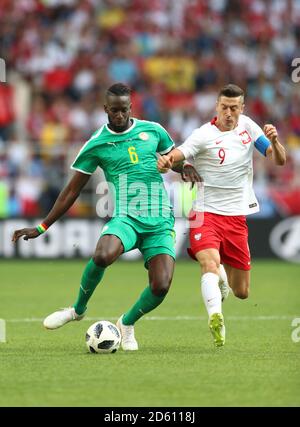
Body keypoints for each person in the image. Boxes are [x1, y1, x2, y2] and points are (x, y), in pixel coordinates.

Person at [12, 83, 180, 351]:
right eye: (114, 110)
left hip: (160, 221)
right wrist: (42, 226)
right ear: (105, 109)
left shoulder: (154, 130)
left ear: (130, 107)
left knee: (161, 286)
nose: (120, 115)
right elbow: (71, 191)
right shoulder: (96, 144)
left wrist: (181, 165)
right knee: (103, 254)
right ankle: (77, 310)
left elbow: (176, 158)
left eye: (124, 110)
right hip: (127, 218)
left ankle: (127, 323)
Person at [157, 83, 286, 347]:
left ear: (242, 108)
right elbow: (179, 154)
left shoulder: (249, 127)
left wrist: (274, 141)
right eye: (225, 107)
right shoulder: (203, 134)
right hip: (205, 213)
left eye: (234, 108)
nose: (229, 113)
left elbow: (279, 160)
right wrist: (167, 160)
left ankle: (223, 279)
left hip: (236, 217)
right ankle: (216, 317)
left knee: (242, 292)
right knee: (209, 263)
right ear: (217, 106)